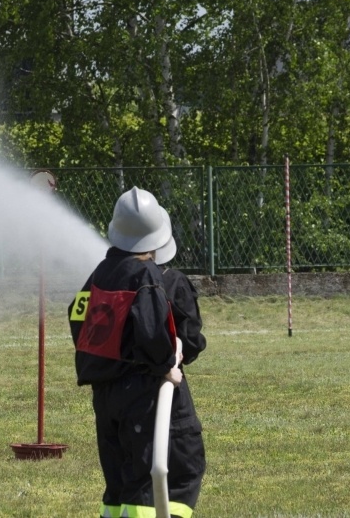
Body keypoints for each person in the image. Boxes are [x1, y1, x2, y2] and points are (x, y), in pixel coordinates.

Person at [68, 187, 197, 518]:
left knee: (120, 480)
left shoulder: (100, 272)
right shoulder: (147, 275)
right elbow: (154, 329)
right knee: (169, 472)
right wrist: (166, 364)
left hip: (106, 393)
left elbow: (77, 316)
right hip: (143, 393)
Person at [154, 212, 207, 515]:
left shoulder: (111, 280)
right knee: (185, 464)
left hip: (117, 395)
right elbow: (192, 338)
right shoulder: (173, 281)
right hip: (165, 383)